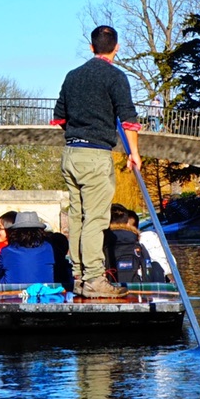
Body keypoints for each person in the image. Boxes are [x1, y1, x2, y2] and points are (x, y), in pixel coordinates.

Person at [51, 25, 142, 297]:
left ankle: (78, 276)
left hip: (71, 154)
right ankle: (94, 278)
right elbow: (128, 120)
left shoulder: (72, 76)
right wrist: (133, 153)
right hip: (95, 154)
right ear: (117, 48)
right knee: (96, 219)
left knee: (77, 216)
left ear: (91, 47)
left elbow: (59, 120)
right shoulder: (115, 77)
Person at [0, 211, 57, 287]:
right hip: (44, 294)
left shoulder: (7, 251)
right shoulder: (48, 248)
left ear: (16, 231)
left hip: (13, 295)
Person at [105, 203, 168, 284]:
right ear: (127, 223)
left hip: (110, 287)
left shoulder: (102, 243)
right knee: (156, 266)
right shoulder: (138, 245)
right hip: (136, 287)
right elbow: (147, 269)